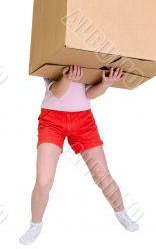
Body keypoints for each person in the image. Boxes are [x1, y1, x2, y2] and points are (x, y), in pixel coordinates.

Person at [19, 65, 139, 244]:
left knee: (102, 175)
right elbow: (57, 92)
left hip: (83, 120)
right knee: (44, 181)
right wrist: (67, 78)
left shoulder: (86, 54)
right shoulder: (55, 56)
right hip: (52, 120)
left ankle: (122, 213)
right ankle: (35, 225)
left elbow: (89, 94)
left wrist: (106, 84)